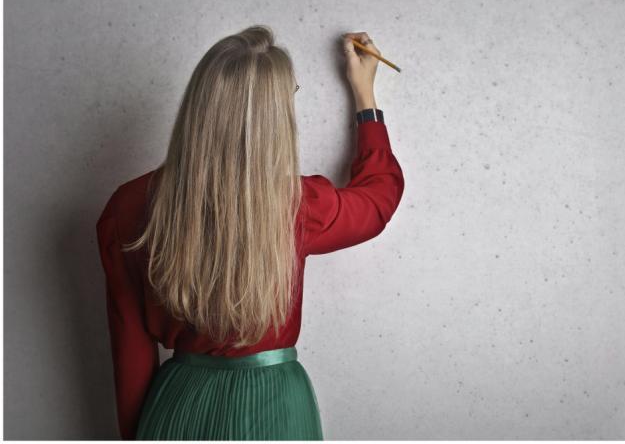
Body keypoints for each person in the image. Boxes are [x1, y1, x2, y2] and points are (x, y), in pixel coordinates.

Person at [94, 26, 405, 440]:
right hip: (273, 406)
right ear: (275, 116)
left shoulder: (128, 207)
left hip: (177, 407)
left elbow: (130, 351)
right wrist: (365, 98)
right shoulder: (299, 204)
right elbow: (378, 199)